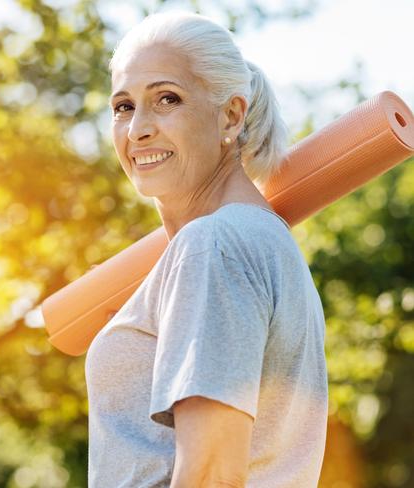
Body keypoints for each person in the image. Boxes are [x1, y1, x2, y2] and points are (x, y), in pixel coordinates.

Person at [84, 11, 329, 488]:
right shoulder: (256, 240)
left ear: (231, 115)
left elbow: (212, 474)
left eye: (166, 99)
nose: (137, 130)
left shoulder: (215, 245)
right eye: (123, 106)